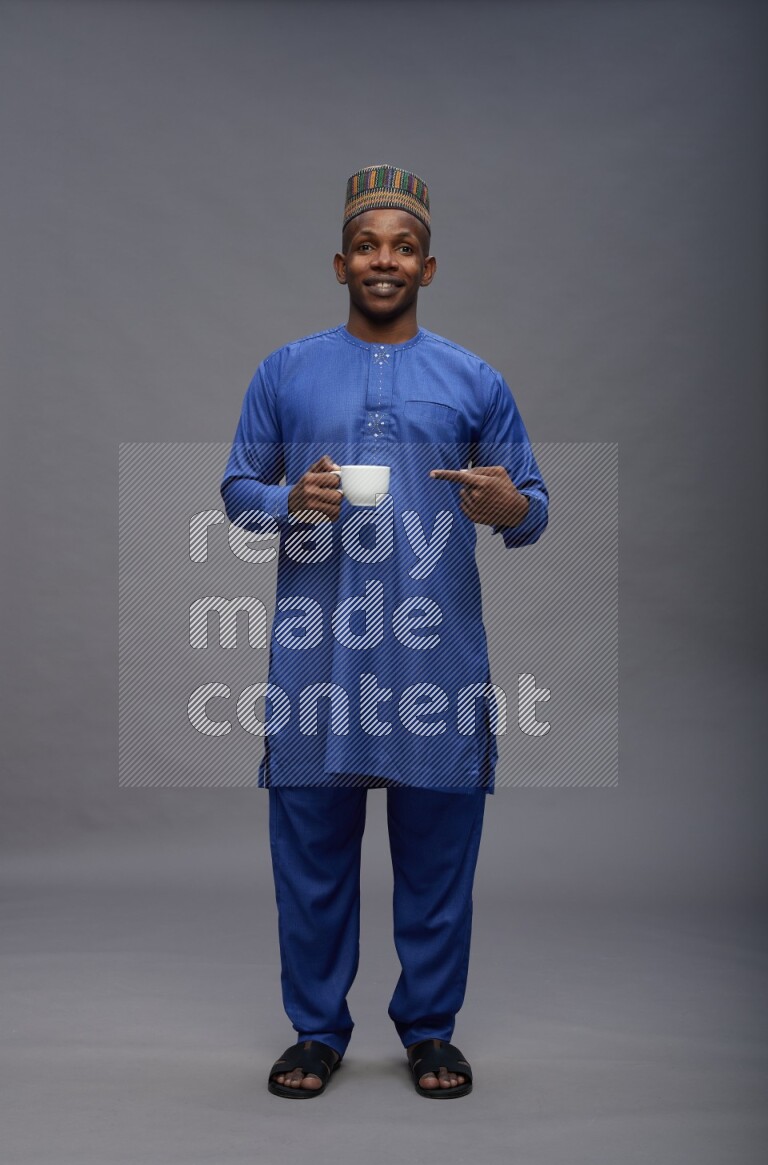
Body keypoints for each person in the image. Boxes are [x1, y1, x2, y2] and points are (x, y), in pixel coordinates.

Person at [220, 165, 548, 1099]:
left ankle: (431, 1031)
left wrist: (504, 501)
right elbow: (239, 494)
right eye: (368, 244)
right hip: (317, 660)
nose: (384, 259)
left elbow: (534, 510)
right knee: (312, 857)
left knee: (439, 858)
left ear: (429, 267)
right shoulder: (284, 371)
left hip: (435, 657)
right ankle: (316, 1031)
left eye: (403, 246)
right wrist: (292, 500)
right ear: (338, 262)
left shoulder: (472, 378)